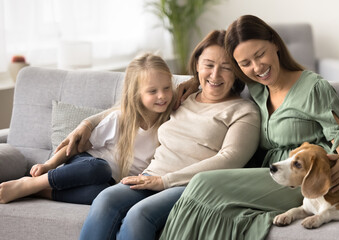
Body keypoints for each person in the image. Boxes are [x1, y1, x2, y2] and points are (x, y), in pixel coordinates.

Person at [160, 15, 339, 240]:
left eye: (260, 54)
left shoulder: (314, 89)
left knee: (202, 182)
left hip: (301, 182)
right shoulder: (257, 87)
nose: (257, 67)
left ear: (274, 43)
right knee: (205, 192)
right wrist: (194, 81)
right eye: (245, 63)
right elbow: (217, 64)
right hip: (267, 174)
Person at [73, 30, 260, 240]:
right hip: (151, 176)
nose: (215, 75)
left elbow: (230, 159)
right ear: (197, 65)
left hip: (194, 186)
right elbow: (130, 107)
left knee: (138, 215)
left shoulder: (244, 111)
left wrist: (164, 181)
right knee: (105, 198)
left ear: (236, 72)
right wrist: (88, 123)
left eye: (226, 68)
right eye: (208, 65)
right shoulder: (181, 97)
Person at [0, 54, 175, 205]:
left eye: (167, 88)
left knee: (104, 194)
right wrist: (50, 164)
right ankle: (31, 184)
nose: (162, 95)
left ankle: (40, 192)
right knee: (100, 169)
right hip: (88, 164)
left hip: (109, 181)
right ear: (135, 93)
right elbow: (76, 146)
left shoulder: (170, 123)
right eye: (153, 91)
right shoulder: (120, 119)